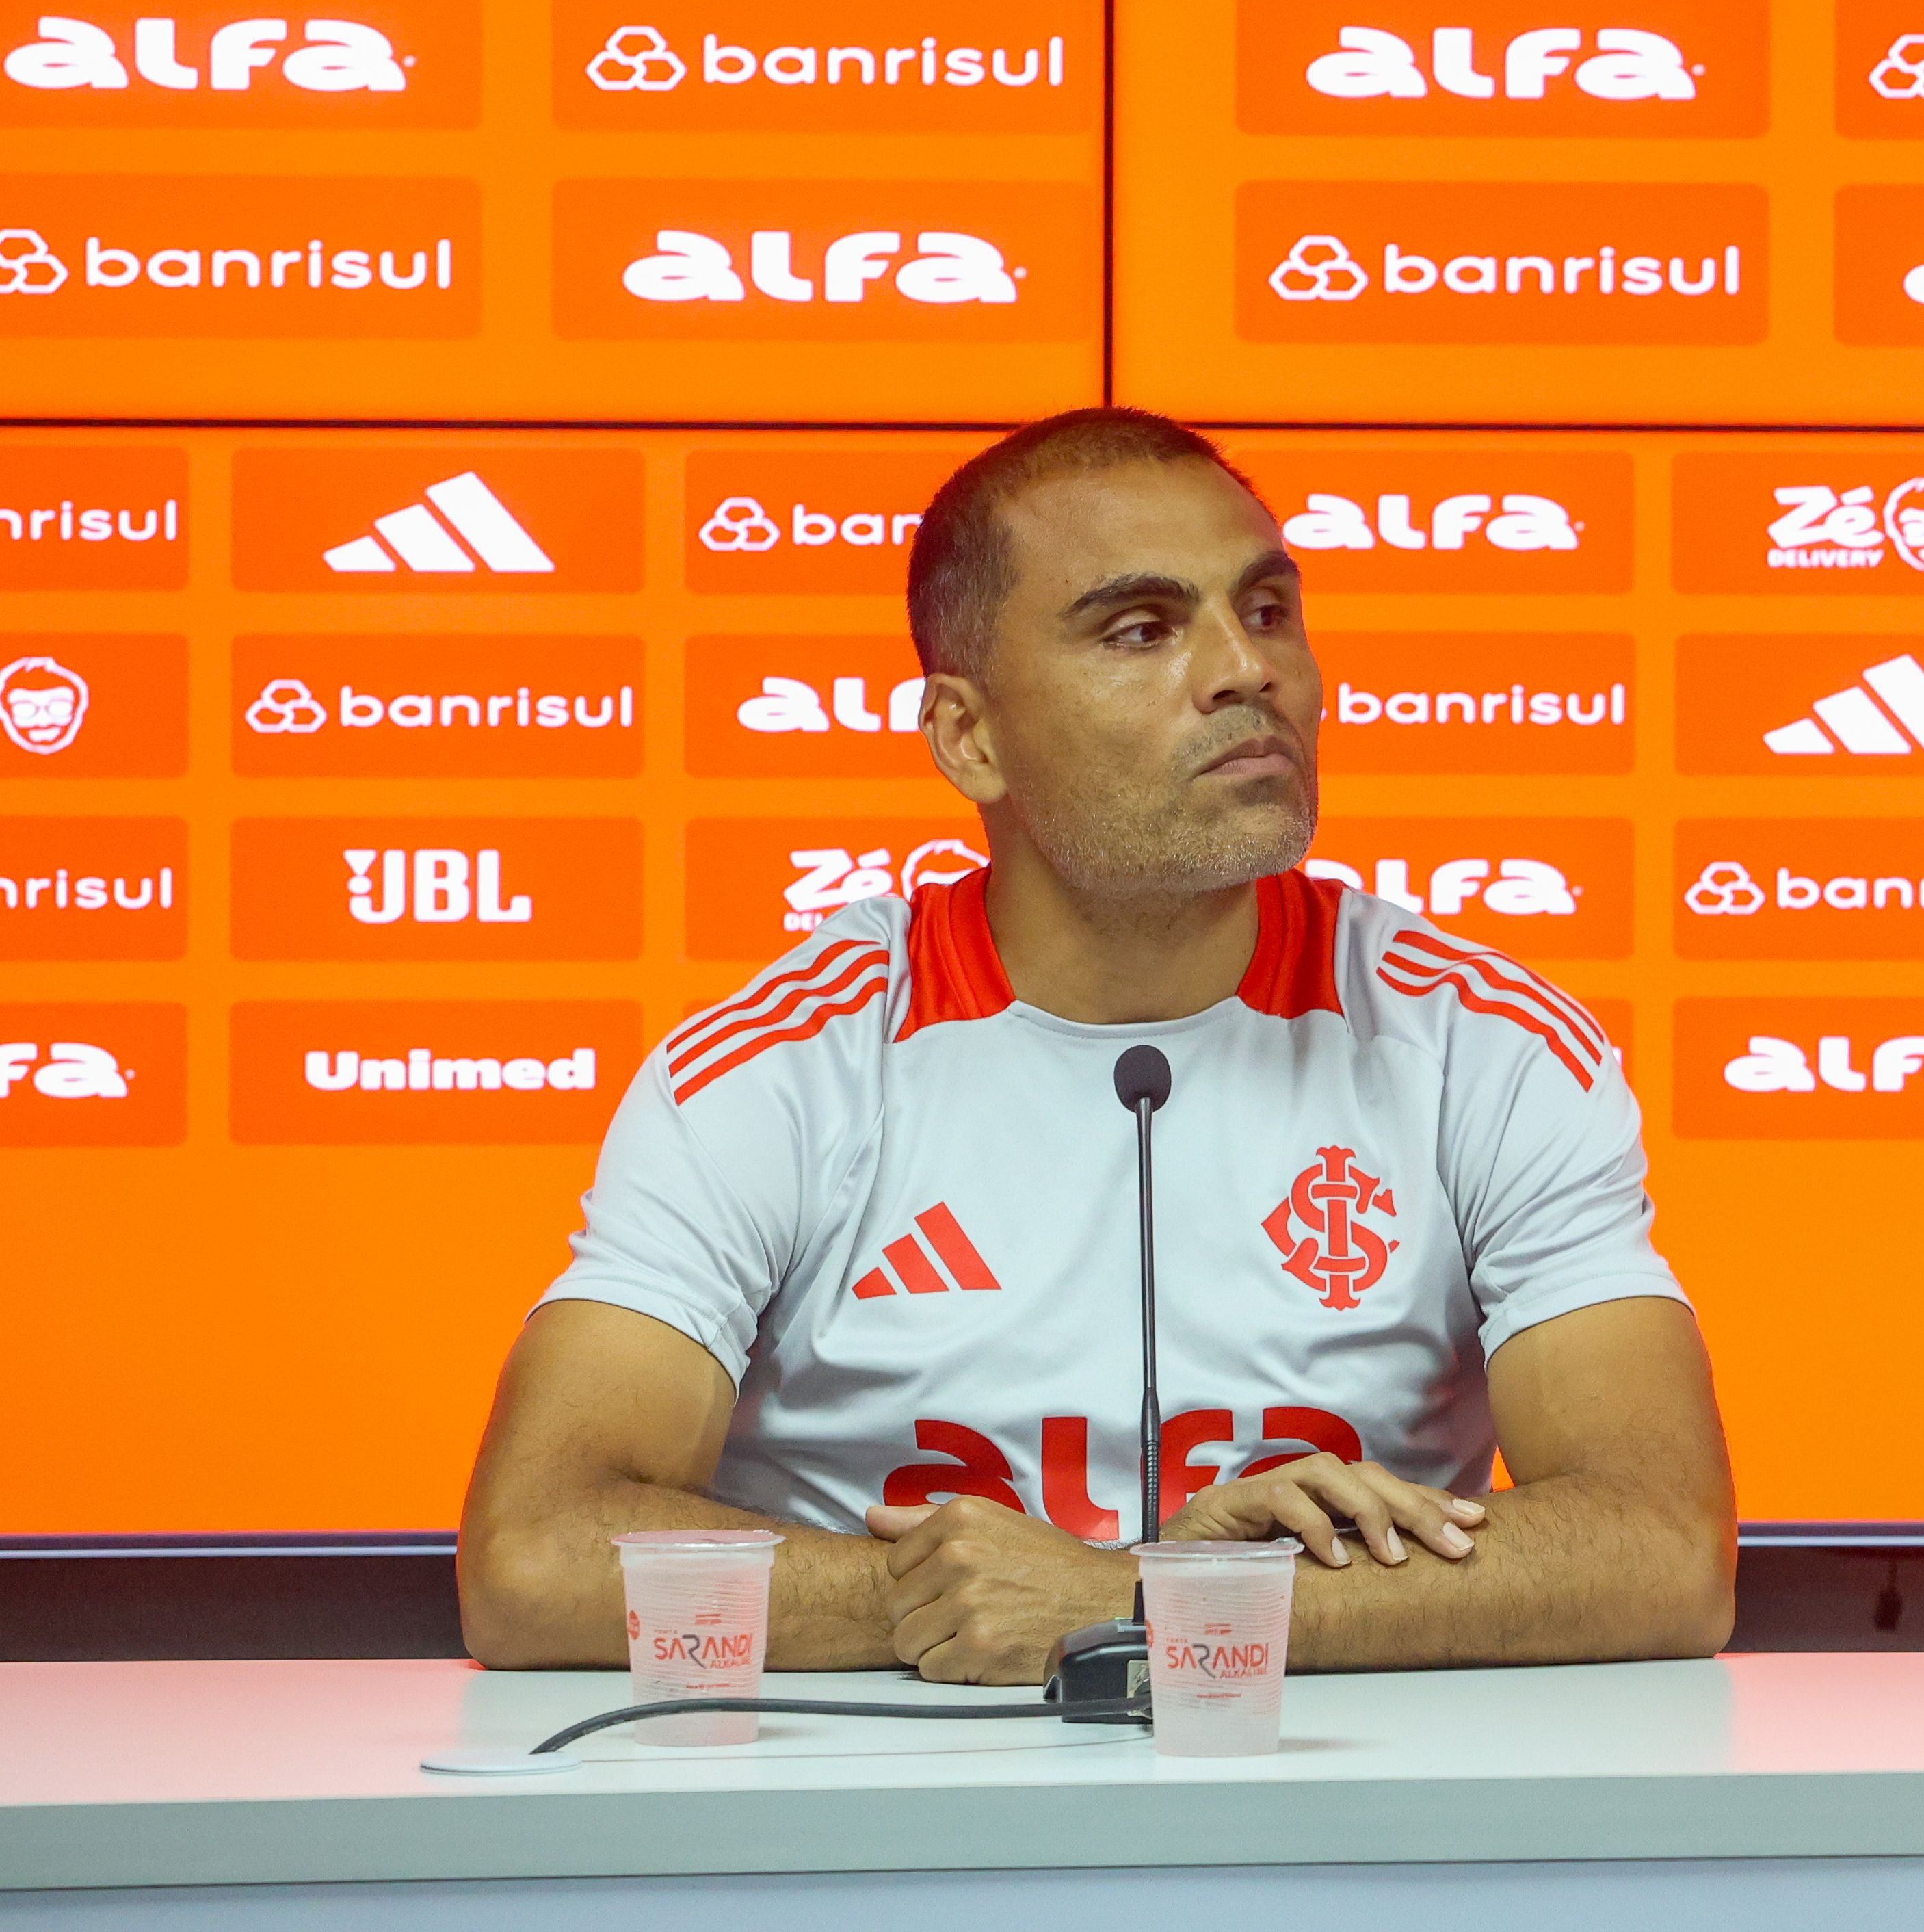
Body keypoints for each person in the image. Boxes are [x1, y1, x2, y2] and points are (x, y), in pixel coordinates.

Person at [459, 408, 1731, 1680]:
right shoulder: (783, 1063)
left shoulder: (1481, 1045)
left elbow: (1664, 1546)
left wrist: (1136, 1601)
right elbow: (533, 1557)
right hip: (871, 1819)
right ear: (970, 736)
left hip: (1325, 1815)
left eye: (1270, 610)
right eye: (1141, 630)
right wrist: (988, 1605)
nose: (1246, 671)